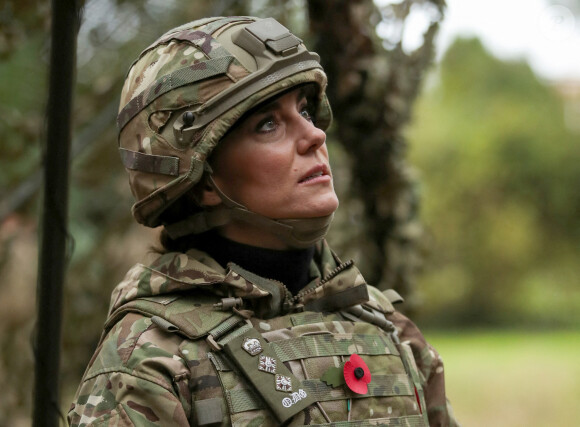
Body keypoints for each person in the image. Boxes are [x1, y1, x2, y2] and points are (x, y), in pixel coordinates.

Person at [68, 16, 459, 426]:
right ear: (199, 177)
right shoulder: (150, 362)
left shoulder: (386, 328)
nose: (314, 136)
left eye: (305, 110)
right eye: (268, 124)